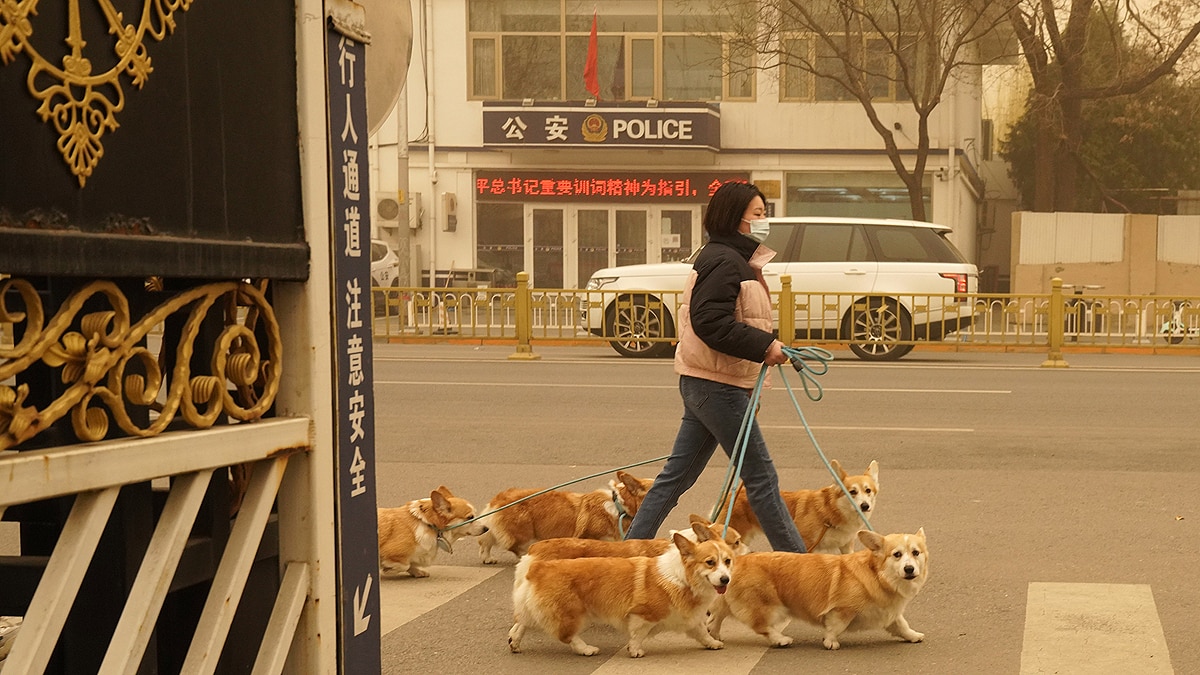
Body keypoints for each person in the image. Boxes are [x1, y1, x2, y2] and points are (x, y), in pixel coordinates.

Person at [623, 181, 807, 553]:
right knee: (761, 478)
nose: (764, 220)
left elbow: (726, 319)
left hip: (709, 382)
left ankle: (628, 552)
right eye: (758, 214)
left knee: (676, 477)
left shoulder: (733, 259)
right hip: (717, 387)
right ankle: (799, 568)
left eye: (764, 213)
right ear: (734, 217)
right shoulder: (725, 261)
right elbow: (710, 322)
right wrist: (765, 345)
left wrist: (764, 349)